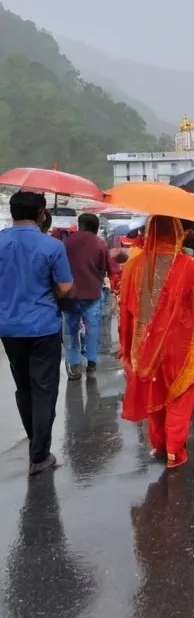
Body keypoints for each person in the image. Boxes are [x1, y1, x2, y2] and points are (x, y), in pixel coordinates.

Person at [119, 216, 194, 468]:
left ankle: (158, 445)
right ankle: (174, 451)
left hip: (145, 344)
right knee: (179, 399)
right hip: (181, 343)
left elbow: (127, 311)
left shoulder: (134, 266)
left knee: (154, 394)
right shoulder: (191, 265)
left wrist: (126, 346)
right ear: (177, 232)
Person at [0, 190, 74, 475]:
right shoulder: (52, 246)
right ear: (42, 213)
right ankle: (39, 454)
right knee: (44, 390)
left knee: (24, 387)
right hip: (43, 326)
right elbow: (66, 287)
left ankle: (36, 443)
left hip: (9, 327)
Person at [62, 213, 108, 379]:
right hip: (92, 293)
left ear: (80, 225)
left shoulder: (66, 242)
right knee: (93, 327)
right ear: (95, 228)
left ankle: (74, 365)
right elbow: (104, 268)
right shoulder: (100, 244)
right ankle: (91, 360)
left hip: (70, 294)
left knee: (71, 329)